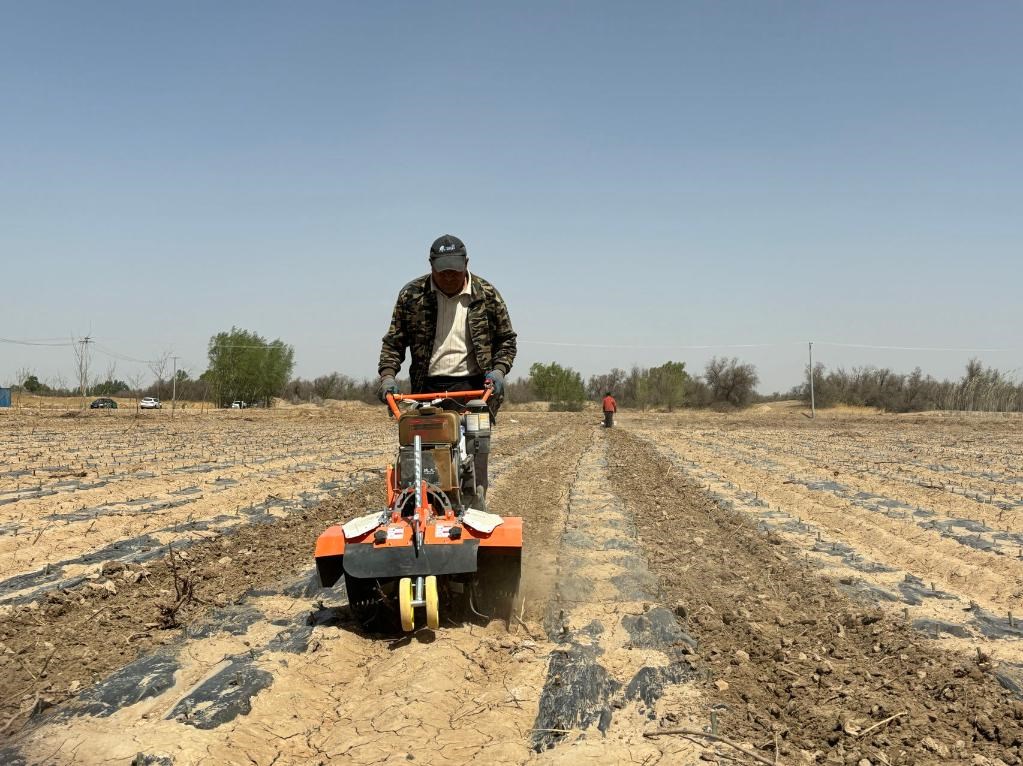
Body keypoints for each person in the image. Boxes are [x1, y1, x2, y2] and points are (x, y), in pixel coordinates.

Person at [377, 234, 517, 495]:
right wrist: (387, 376)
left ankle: (475, 502)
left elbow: (506, 340)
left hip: (476, 390)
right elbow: (394, 343)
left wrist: (499, 370)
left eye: (455, 271)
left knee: (474, 458)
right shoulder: (412, 295)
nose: (450, 278)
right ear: (431, 266)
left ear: (466, 264)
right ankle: (425, 506)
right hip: (427, 390)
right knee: (425, 463)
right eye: (443, 273)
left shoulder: (486, 295)